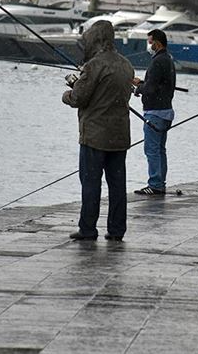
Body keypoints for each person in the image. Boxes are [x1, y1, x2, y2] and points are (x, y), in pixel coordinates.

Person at [62, 21, 135, 241]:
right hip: (119, 136)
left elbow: (78, 98)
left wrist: (68, 93)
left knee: (91, 184)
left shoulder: (94, 66)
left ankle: (87, 229)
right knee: (117, 185)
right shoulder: (126, 65)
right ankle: (116, 230)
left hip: (94, 136)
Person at [132, 29, 176, 195]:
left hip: (155, 113)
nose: (148, 45)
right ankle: (160, 182)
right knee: (160, 150)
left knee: (151, 150)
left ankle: (155, 184)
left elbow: (150, 89)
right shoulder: (168, 59)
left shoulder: (157, 61)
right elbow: (158, 84)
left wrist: (138, 88)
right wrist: (142, 83)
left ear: (157, 43)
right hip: (166, 111)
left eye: (150, 42)